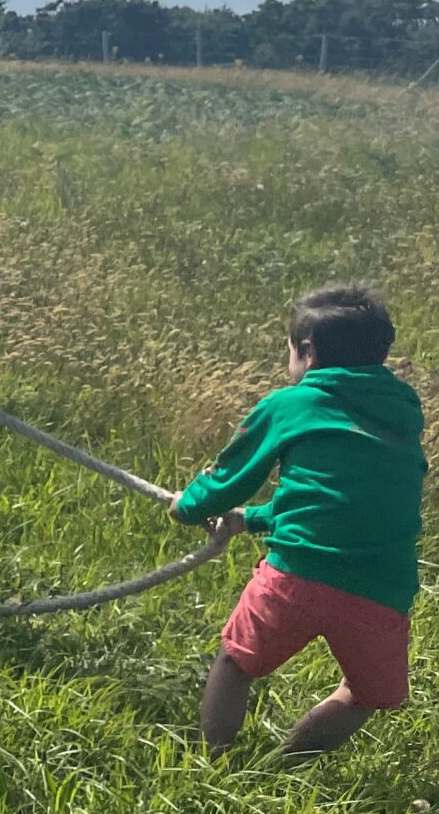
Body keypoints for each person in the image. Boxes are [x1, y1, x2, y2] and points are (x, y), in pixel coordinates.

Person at [172, 285, 424, 760]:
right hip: (382, 591)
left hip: (297, 579)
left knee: (236, 662)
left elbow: (229, 478)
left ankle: (213, 765)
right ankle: (287, 765)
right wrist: (256, 520)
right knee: (363, 695)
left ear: (307, 351)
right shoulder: (403, 409)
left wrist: (188, 506)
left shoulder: (291, 404)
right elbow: (344, 500)